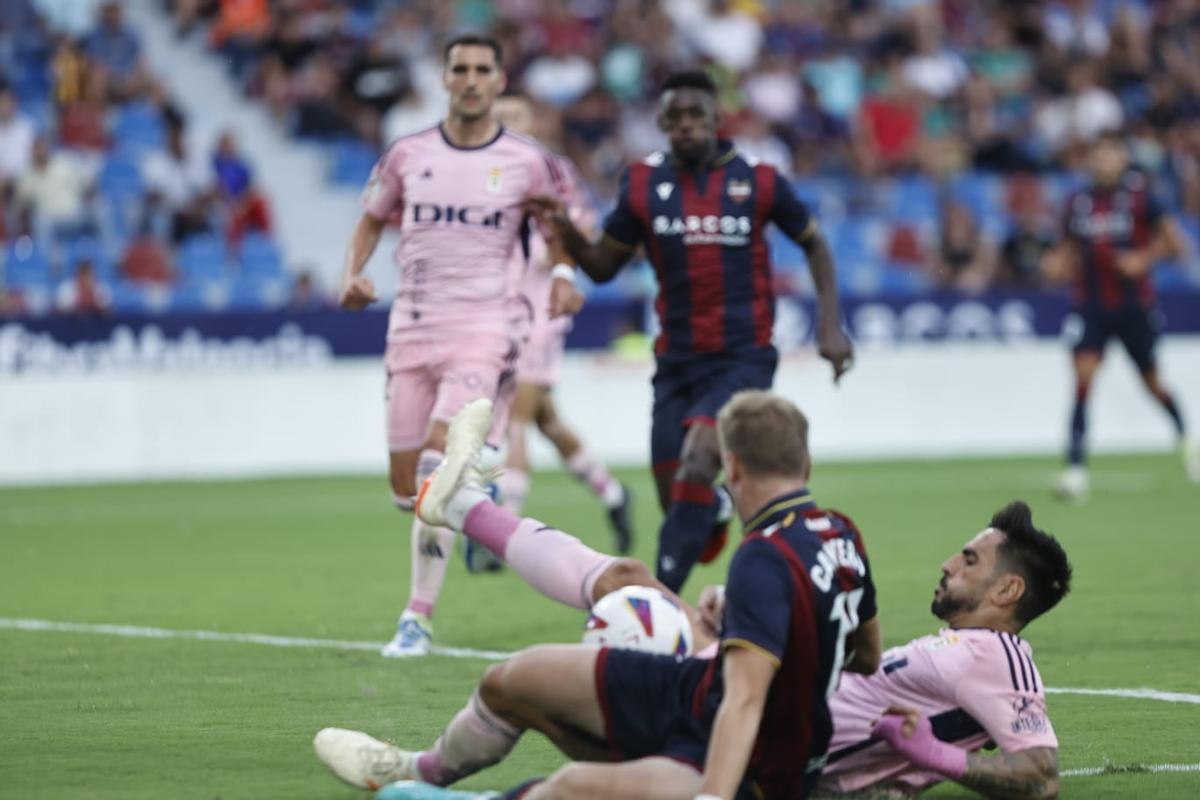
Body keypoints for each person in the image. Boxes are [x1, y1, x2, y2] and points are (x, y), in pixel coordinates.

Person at [313, 397, 1068, 798]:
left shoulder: (998, 656)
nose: (948, 563)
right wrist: (749, 626)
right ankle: (413, 765)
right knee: (538, 660)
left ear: (733, 471)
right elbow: (863, 655)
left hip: (750, 755)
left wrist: (938, 760)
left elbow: (1041, 775)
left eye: (968, 561)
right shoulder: (836, 532)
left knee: (575, 778)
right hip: (717, 697)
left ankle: (427, 791)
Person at [526, 70, 853, 594]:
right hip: (676, 360)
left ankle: (661, 603)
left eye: (695, 116)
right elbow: (604, 267)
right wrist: (565, 226)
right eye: (674, 119)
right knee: (676, 493)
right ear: (661, 124)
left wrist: (830, 325)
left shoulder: (760, 180)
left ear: (715, 120)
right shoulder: (642, 185)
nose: (685, 127)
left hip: (742, 355)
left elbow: (815, 243)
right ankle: (715, 510)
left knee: (701, 459)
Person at [336, 34, 571, 658]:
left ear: (498, 80)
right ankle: (479, 486)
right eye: (459, 69)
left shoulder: (526, 160)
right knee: (408, 489)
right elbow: (369, 219)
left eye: (482, 70)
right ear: (444, 78)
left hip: (483, 329)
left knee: (437, 469)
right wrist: (353, 273)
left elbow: (560, 224)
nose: (470, 80)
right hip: (411, 329)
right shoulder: (407, 154)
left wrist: (567, 276)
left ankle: (416, 617)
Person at [490, 92, 633, 556]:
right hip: (497, 313)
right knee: (546, 418)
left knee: (515, 411)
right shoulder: (480, 178)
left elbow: (586, 231)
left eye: (516, 117)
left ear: (533, 123)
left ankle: (504, 529)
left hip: (541, 309)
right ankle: (612, 493)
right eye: (501, 117)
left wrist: (559, 256)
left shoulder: (554, 175)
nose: (508, 124)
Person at [1044, 131, 1200, 499]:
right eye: (1098, 155)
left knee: (1152, 383)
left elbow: (1179, 244)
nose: (1104, 161)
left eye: (1111, 154)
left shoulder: (1143, 198)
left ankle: (1187, 439)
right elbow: (1064, 250)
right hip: (1091, 306)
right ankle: (1075, 470)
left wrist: (1143, 259)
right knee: (1082, 380)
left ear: (1122, 159)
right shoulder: (1078, 202)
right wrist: (1055, 264)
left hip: (1133, 307)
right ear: (1091, 160)